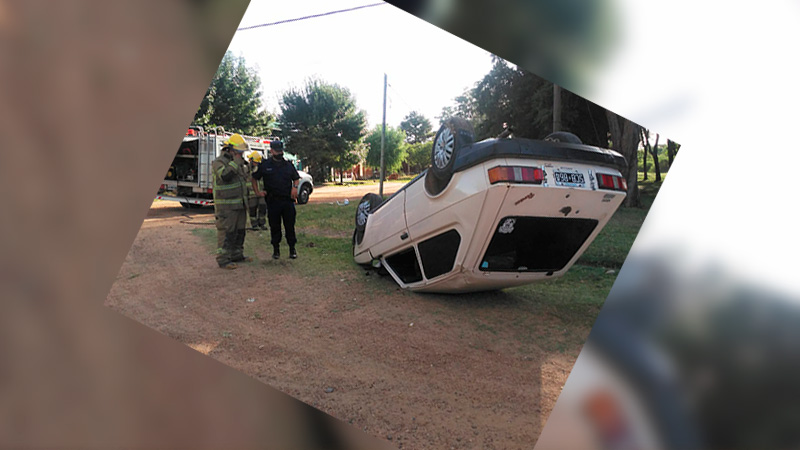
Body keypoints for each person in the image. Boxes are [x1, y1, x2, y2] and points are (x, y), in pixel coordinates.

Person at [252, 139, 300, 259]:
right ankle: (276, 250)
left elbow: (296, 178)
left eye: (281, 150)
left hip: (287, 201)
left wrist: (295, 187)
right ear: (272, 151)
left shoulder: (288, 165)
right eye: (277, 150)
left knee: (290, 226)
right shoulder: (265, 165)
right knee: (275, 226)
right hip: (273, 201)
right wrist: (257, 192)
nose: (279, 153)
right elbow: (254, 178)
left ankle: (292, 249)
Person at [212, 133, 253, 269]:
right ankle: (223, 259)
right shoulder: (219, 162)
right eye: (239, 152)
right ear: (230, 149)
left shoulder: (240, 162)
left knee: (240, 231)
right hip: (226, 207)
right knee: (227, 232)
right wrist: (235, 163)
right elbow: (225, 176)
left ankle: (237, 254)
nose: (241, 154)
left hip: (240, 204)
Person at [246, 151, 268, 231]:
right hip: (251, 195)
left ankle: (262, 223)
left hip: (262, 193)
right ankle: (254, 225)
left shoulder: (262, 169)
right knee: (252, 209)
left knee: (263, 207)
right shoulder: (247, 169)